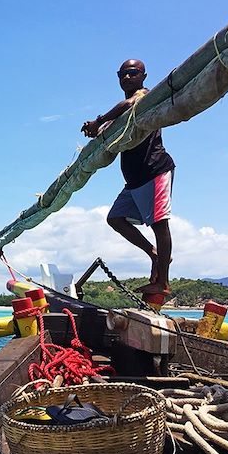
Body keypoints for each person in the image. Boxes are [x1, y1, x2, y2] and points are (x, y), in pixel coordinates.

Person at [81, 59, 175, 295]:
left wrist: (99, 120)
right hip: (134, 181)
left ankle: (162, 281)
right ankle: (154, 254)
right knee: (115, 218)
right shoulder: (121, 113)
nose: (126, 77)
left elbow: (129, 104)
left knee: (159, 225)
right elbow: (113, 122)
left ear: (143, 75)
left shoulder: (144, 96)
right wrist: (96, 129)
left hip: (154, 170)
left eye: (132, 73)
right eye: (122, 74)